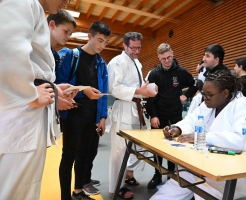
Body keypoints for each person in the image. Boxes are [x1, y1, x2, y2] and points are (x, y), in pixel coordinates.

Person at [150, 70, 246, 200]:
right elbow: (191, 120)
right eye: (204, 93)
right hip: (214, 164)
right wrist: (177, 128)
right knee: (180, 179)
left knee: (204, 189)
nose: (205, 98)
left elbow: (244, 141)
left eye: (209, 95)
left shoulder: (244, 105)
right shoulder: (208, 104)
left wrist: (203, 137)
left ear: (225, 93)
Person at [0, 0, 74, 199]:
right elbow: (5, 51)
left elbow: (33, 67)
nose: (67, 2)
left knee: (23, 187)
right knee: (17, 191)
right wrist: (31, 95)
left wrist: (54, 89)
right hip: (22, 114)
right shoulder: (23, 2)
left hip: (23, 111)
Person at [55, 21, 111, 200]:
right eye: (99, 40)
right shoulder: (72, 56)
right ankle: (65, 197)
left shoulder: (101, 63)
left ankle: (78, 191)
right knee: (69, 155)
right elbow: (60, 84)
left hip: (92, 116)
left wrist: (102, 117)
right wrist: (82, 89)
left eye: (105, 42)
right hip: (73, 114)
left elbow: (103, 92)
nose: (102, 46)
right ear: (90, 36)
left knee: (84, 155)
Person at [107, 32, 157, 199]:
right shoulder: (117, 62)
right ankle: (117, 187)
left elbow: (138, 87)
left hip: (135, 109)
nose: (136, 51)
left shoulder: (137, 63)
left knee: (136, 148)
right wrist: (138, 91)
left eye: (139, 47)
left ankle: (127, 174)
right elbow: (114, 88)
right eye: (133, 48)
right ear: (124, 46)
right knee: (119, 151)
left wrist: (148, 89)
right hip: (123, 109)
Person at [146, 43, 198, 189]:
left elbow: (195, 84)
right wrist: (153, 115)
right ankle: (157, 174)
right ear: (159, 58)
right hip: (159, 115)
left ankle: (171, 174)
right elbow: (150, 97)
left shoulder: (181, 72)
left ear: (172, 54)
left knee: (173, 145)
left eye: (169, 57)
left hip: (175, 115)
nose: (167, 61)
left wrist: (186, 95)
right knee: (157, 147)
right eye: (164, 59)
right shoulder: (154, 73)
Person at [47, 9, 78, 111]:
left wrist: (57, 88)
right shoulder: (34, 47)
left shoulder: (54, 55)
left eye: (70, 33)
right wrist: (54, 100)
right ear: (52, 25)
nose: (68, 37)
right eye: (66, 31)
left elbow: (43, 82)